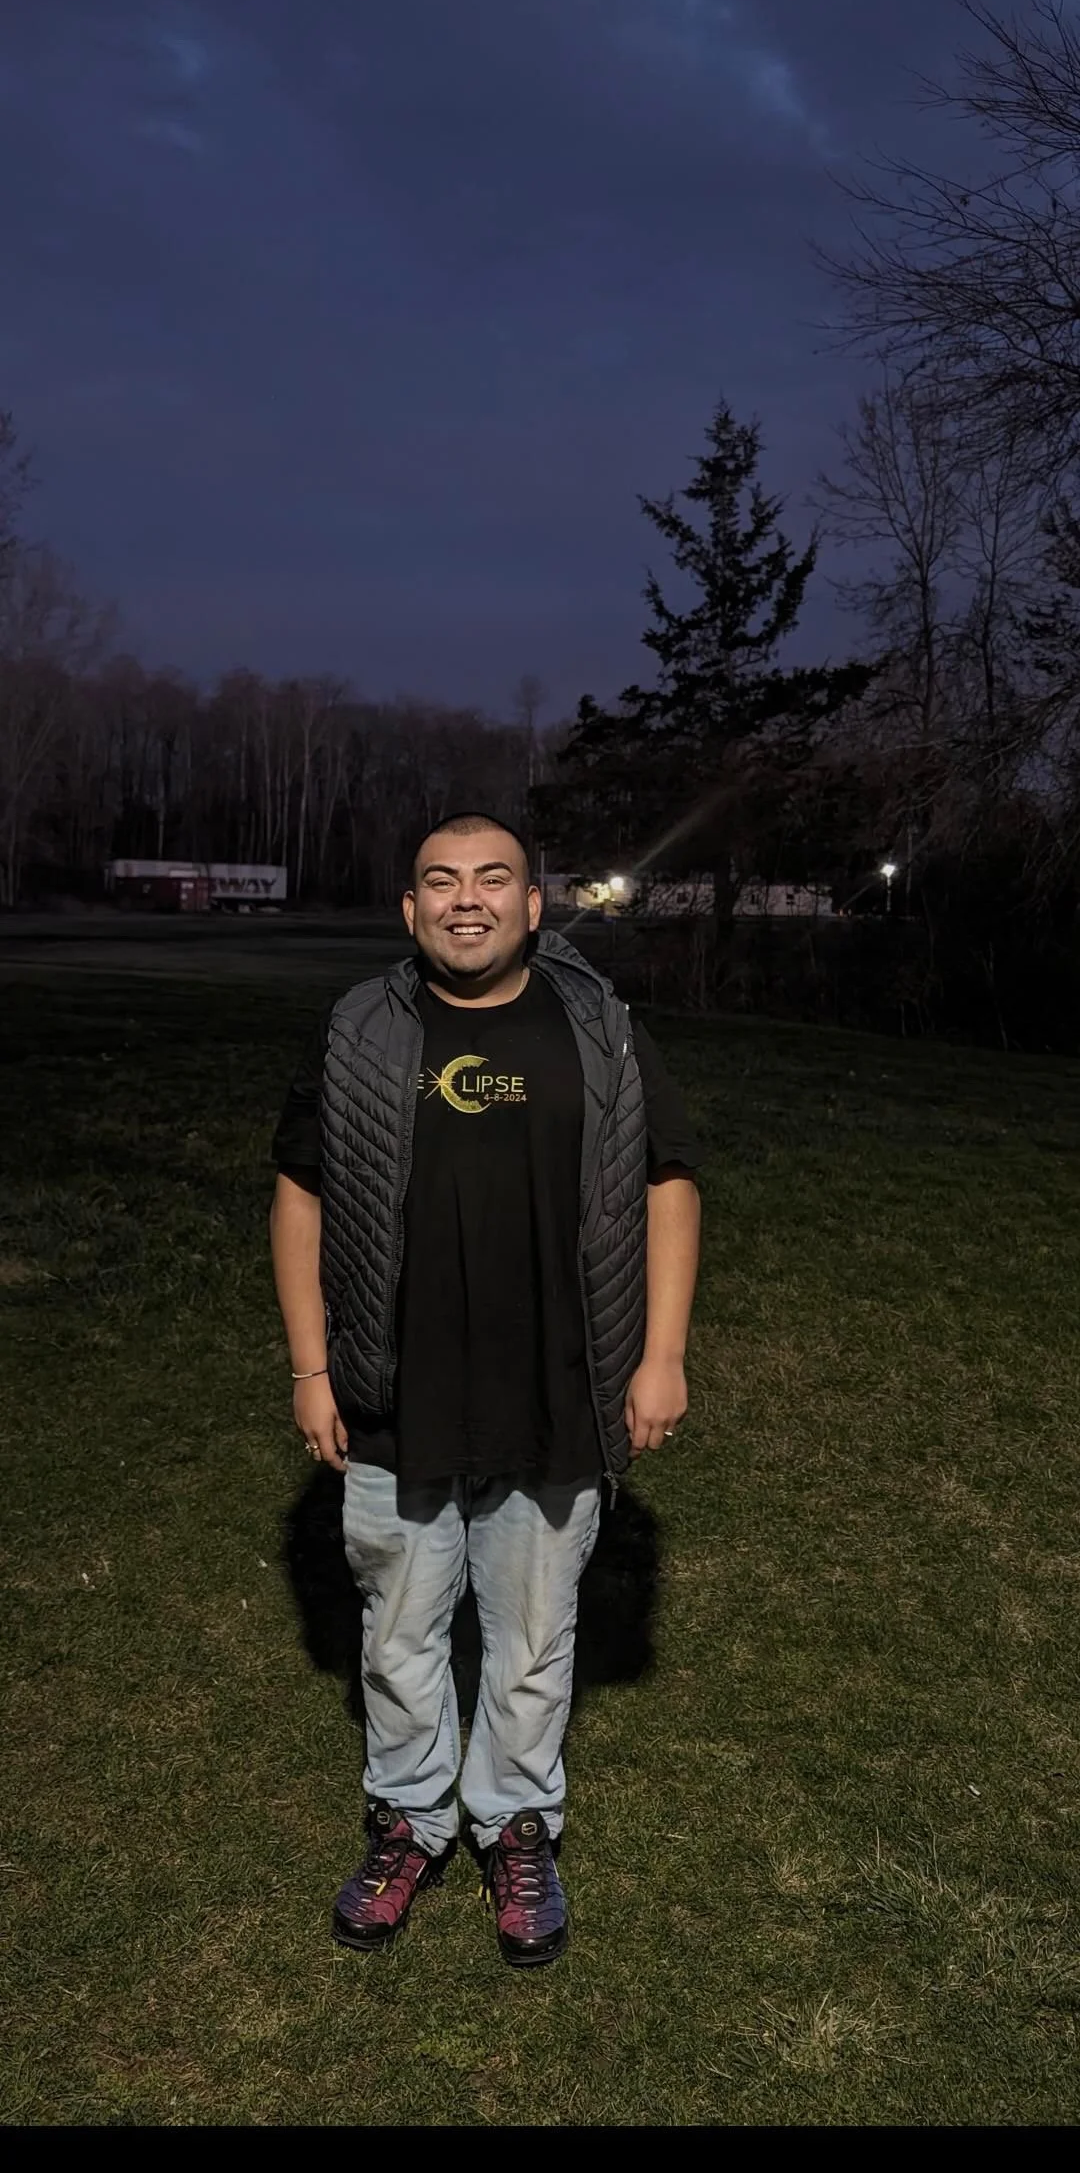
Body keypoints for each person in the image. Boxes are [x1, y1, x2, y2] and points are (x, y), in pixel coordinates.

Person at [269, 812, 703, 1969]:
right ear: (410, 910)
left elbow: (670, 1179)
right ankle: (411, 1816)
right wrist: (312, 1369)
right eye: (441, 882)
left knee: (529, 1638)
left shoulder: (597, 1027)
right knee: (402, 1635)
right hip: (393, 1395)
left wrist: (661, 1355)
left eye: (493, 879)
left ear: (532, 904)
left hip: (560, 1390)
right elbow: (298, 1194)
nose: (468, 900)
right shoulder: (359, 1029)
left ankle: (518, 1823)